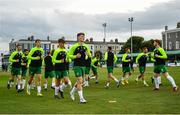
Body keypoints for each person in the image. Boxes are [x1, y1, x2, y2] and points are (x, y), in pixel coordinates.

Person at [69, 32, 91, 103]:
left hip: (83, 66)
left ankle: (72, 92)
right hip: (77, 65)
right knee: (80, 80)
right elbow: (69, 55)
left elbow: (89, 55)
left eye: (83, 36)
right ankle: (81, 99)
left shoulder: (86, 46)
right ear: (78, 38)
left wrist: (87, 55)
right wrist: (75, 56)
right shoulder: (74, 46)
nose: (83, 38)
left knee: (79, 81)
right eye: (81, 36)